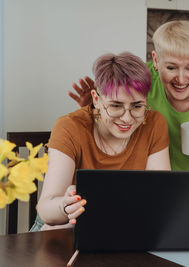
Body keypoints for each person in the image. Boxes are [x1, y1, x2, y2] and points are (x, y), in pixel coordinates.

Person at [68, 20, 189, 209]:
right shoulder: (141, 83)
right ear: (156, 60)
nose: (180, 78)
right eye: (171, 68)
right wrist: (94, 109)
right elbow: (112, 113)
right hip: (156, 198)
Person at [35, 52, 170, 231]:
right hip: (65, 226)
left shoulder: (154, 123)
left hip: (123, 229)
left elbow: (160, 196)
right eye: (115, 106)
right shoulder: (69, 127)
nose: (127, 119)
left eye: (137, 106)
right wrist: (65, 206)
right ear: (96, 99)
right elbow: (46, 209)